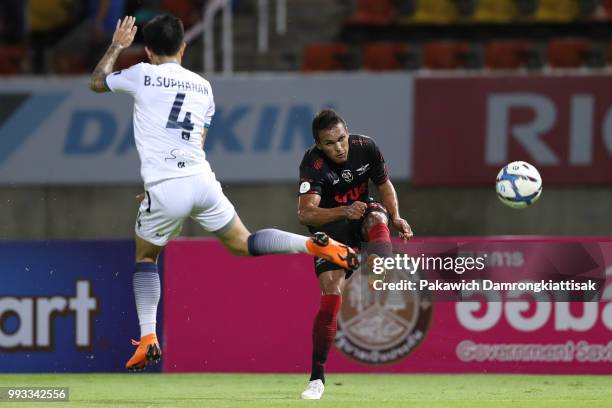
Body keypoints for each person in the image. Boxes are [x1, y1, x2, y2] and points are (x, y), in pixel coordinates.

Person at [89, 15, 359, 371]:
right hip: (201, 178)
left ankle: (149, 337)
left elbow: (96, 82)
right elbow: (197, 141)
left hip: (165, 186)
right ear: (184, 48)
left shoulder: (141, 73)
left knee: (146, 258)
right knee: (244, 243)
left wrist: (117, 46)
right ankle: (311, 245)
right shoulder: (203, 87)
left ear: (150, 50)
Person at [297, 109, 413, 399]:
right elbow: (305, 213)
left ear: (348, 133)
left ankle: (378, 271)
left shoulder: (366, 147)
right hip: (332, 231)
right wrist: (342, 211)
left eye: (342, 139)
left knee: (378, 217)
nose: (339, 147)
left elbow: (384, 185)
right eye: (330, 143)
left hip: (361, 217)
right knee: (331, 294)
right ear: (318, 145)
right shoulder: (313, 164)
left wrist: (397, 215)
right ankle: (317, 378)